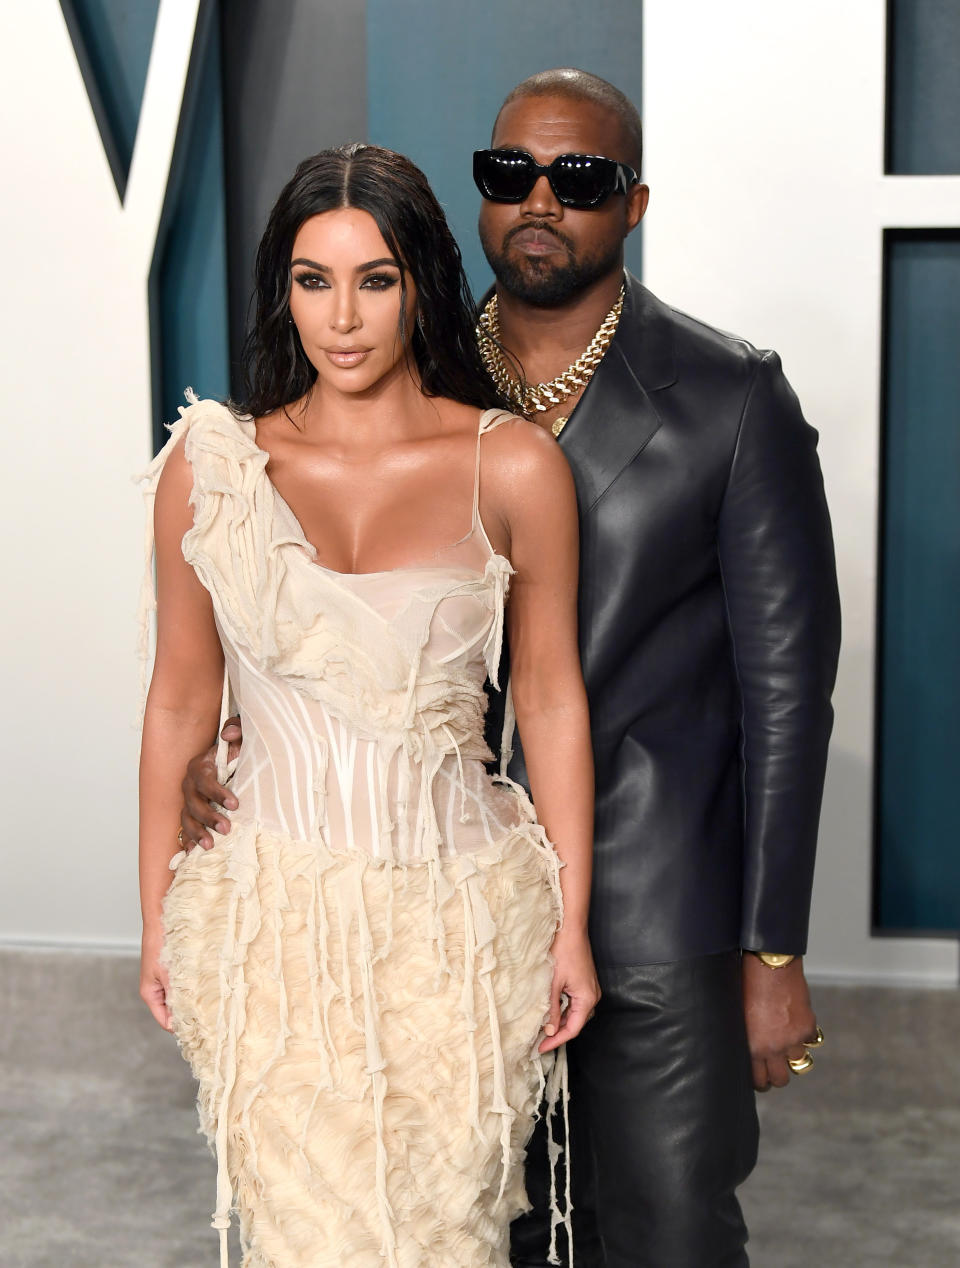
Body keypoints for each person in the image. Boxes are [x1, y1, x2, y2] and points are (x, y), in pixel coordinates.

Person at [180, 71, 841, 1268]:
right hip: (438, 909)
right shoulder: (415, 378)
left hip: (650, 910)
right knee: (479, 1230)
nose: (541, 201)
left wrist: (774, 951)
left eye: (579, 179)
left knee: (666, 1231)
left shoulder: (731, 399)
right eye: (510, 174)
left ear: (632, 204)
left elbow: (787, 697)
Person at [137, 142, 599, 1268]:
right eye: (313, 278)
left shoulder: (513, 465)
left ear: (421, 284)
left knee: (449, 1242)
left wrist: (573, 921)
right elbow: (180, 700)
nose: (342, 316)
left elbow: (547, 695)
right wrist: (155, 915)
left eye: (375, 278)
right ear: (280, 292)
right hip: (268, 931)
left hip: (461, 928)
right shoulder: (215, 466)